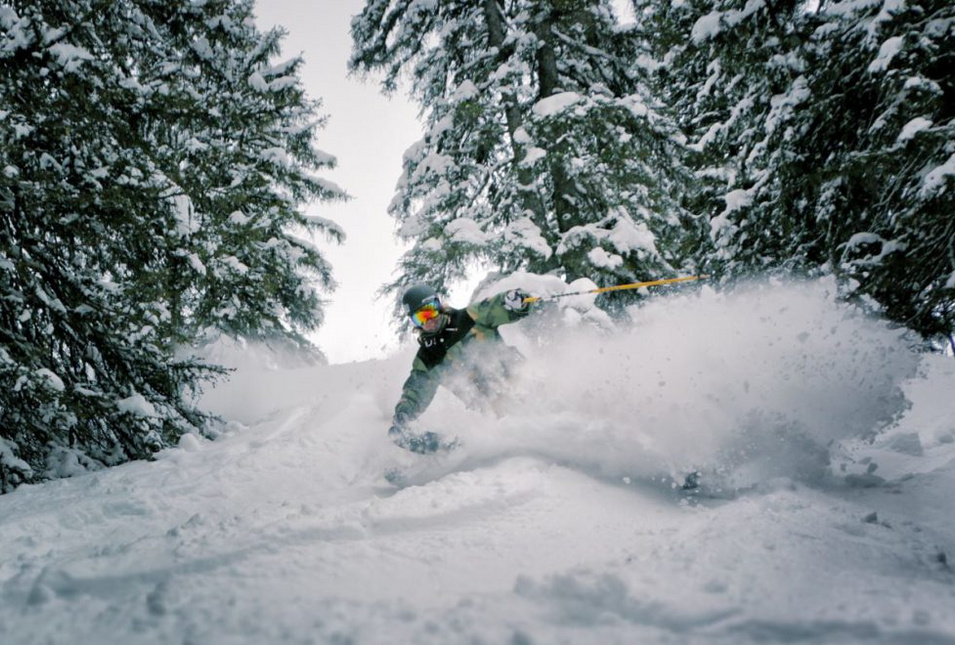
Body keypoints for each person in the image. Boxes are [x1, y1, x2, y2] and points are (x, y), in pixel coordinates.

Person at [389, 283, 533, 453]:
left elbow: (497, 306)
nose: (429, 320)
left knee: (534, 407)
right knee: (515, 432)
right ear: (414, 322)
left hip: (521, 382)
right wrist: (403, 414)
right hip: (492, 407)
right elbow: (416, 391)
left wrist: (517, 301)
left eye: (431, 311)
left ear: (439, 305)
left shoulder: (470, 317)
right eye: (421, 317)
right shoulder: (429, 357)